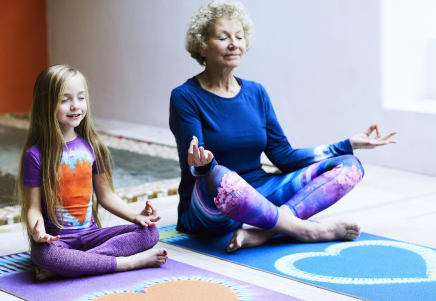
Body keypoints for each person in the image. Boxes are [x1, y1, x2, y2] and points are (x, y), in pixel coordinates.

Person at [169, 1, 397, 253]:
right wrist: (203, 165)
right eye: (223, 37)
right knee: (219, 174)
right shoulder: (185, 96)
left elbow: (284, 156)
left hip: (262, 195)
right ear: (202, 46)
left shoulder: (256, 92)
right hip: (211, 207)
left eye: (239, 36)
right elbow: (198, 168)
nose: (234, 43)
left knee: (350, 166)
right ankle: (304, 230)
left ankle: (269, 229)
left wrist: (348, 145)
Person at [15, 65, 167, 280]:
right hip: (57, 241)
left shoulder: (93, 146)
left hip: (91, 236)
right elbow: (32, 208)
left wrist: (136, 216)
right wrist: (37, 231)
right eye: (65, 99)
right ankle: (127, 263)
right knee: (43, 254)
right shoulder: (36, 155)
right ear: (46, 104)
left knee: (150, 232)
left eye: (81, 98)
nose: (75, 106)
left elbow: (106, 196)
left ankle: (72, 265)